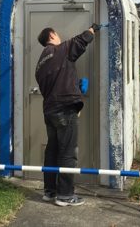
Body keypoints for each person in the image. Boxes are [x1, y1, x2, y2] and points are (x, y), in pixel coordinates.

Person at [35, 24, 98, 207]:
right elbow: (81, 40)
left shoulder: (40, 64)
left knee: (52, 150)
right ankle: (65, 196)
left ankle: (49, 191)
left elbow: (56, 83)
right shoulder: (59, 50)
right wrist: (92, 30)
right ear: (52, 35)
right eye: (58, 34)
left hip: (50, 111)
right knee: (68, 152)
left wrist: (74, 86)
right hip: (65, 109)